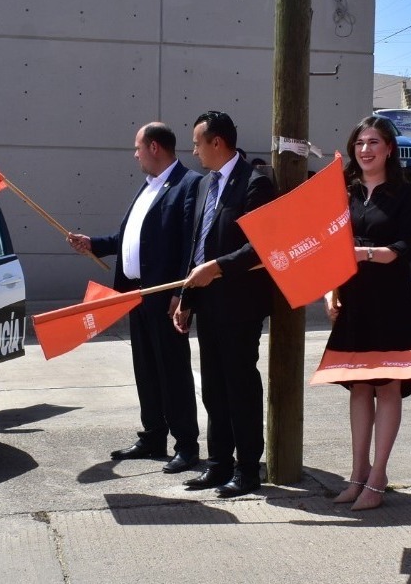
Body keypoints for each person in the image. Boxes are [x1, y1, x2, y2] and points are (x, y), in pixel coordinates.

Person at [66, 122, 202, 472]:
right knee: (146, 369)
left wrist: (181, 293)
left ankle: (186, 445)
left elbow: (190, 245)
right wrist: (93, 243)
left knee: (172, 371)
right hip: (135, 295)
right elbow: (131, 238)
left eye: (138, 147)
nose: (135, 154)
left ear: (155, 147)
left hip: (164, 298)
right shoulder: (148, 186)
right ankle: (153, 436)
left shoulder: (188, 184)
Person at [322, 116, 411, 512]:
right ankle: (357, 473)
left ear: (389, 149)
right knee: (359, 386)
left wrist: (362, 253)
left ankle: (378, 476)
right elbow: (328, 245)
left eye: (373, 143)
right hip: (353, 298)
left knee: (387, 386)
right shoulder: (343, 191)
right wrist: (330, 292)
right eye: (360, 143)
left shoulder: (406, 193)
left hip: (390, 301)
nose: (365, 150)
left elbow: (404, 248)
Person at [173, 111, 276, 498]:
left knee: (239, 386)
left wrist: (217, 268)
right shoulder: (204, 185)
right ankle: (218, 464)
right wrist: (186, 299)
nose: (194, 151)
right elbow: (197, 244)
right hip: (207, 304)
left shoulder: (255, 182)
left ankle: (247, 469)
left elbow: (260, 247)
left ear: (217, 142)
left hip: (240, 305)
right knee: (213, 389)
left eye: (197, 143)